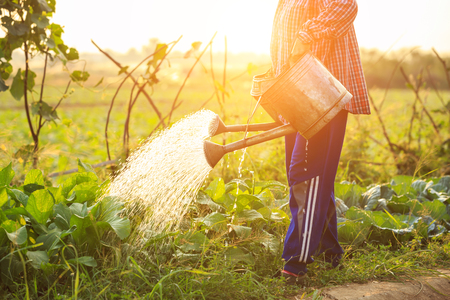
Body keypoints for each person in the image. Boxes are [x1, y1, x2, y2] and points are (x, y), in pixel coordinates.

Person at [269, 0, 371, 284]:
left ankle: (296, 262)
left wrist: (307, 35)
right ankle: (330, 252)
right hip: (295, 96)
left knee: (306, 174)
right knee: (309, 175)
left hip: (322, 95)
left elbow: (346, 5)